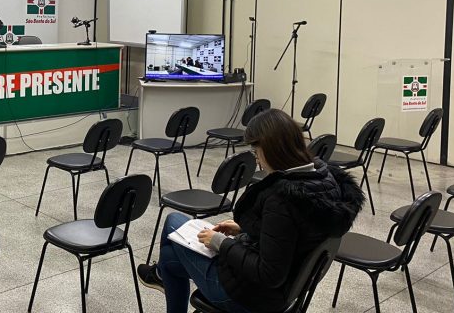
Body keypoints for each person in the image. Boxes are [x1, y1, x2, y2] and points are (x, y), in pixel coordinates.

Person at [137, 109, 364, 313]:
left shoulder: (283, 199)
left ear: (272, 150)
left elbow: (269, 274)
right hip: (285, 289)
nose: (257, 160)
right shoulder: (324, 181)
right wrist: (247, 228)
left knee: (173, 224)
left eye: (257, 152)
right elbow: (292, 234)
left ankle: (161, 276)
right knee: (169, 257)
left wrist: (220, 242)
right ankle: (161, 274)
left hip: (250, 298)